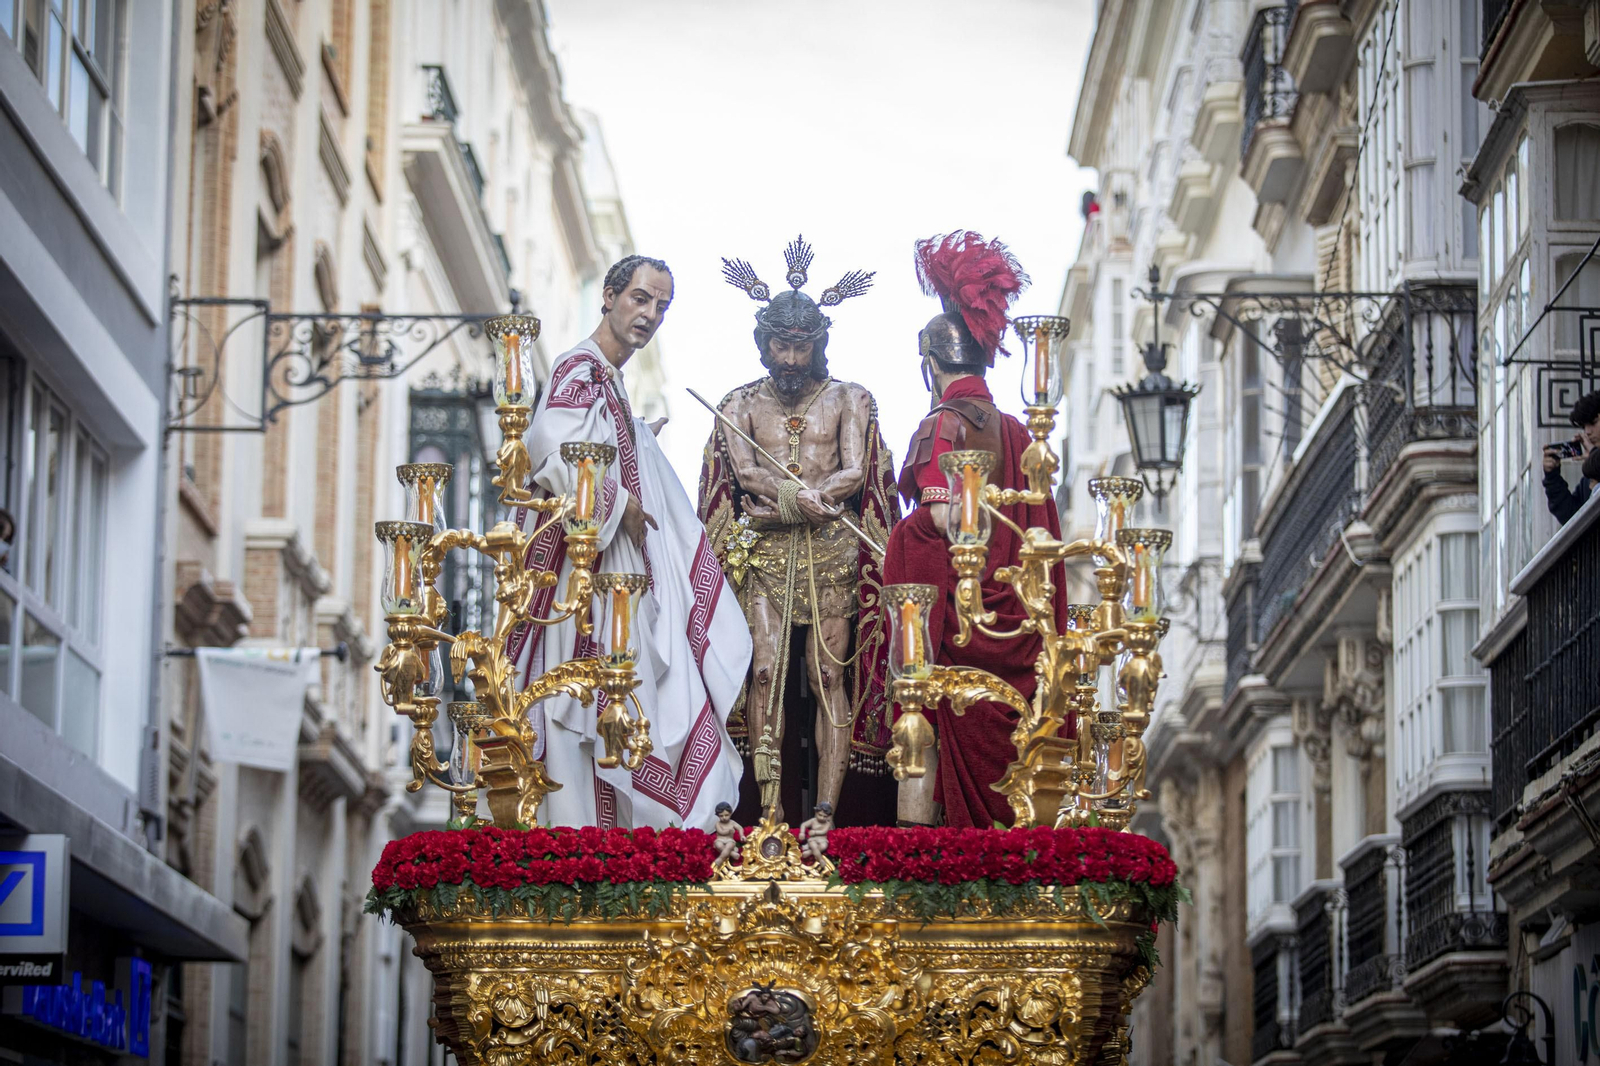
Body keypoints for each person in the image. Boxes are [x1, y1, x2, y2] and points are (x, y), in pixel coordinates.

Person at [507, 255, 750, 830]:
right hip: (582, 578)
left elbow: (598, 446)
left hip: (615, 572)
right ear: (609, 296)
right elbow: (553, 447)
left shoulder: (611, 382)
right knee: (580, 704)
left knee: (622, 701)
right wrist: (625, 502)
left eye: (662, 306)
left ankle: (612, 842)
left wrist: (639, 439)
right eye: (640, 298)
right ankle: (580, 841)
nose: (650, 314)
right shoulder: (580, 368)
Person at [699, 237, 900, 821]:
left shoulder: (849, 398)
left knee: (828, 674)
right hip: (765, 553)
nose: (790, 359)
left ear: (818, 345)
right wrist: (793, 501)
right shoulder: (737, 403)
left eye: (801, 346)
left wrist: (808, 499)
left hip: (832, 548)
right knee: (764, 674)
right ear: (764, 343)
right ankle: (770, 812)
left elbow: (855, 470)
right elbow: (743, 472)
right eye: (781, 345)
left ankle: (827, 813)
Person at [880, 231, 1070, 829]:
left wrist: (898, 537)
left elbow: (941, 520)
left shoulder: (942, 424)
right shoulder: (1018, 430)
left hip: (965, 624)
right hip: (1021, 621)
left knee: (920, 725)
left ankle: (912, 859)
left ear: (930, 366)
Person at [1544, 390, 1600, 524]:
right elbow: (1571, 516)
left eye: (1593, 423)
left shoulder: (1593, 468)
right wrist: (1552, 476)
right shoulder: (1589, 477)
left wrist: (1593, 460)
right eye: (1584, 426)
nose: (1587, 431)